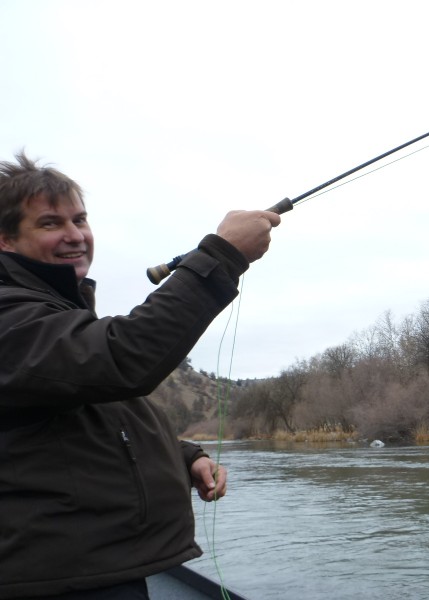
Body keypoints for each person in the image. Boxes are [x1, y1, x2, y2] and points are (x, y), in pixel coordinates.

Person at [0, 151, 281, 599]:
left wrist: (184, 456)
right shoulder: (11, 315)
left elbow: (91, 415)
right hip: (55, 580)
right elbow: (123, 359)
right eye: (50, 223)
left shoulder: (52, 317)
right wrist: (221, 257)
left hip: (90, 571)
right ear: (6, 241)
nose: (76, 236)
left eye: (80, 219)